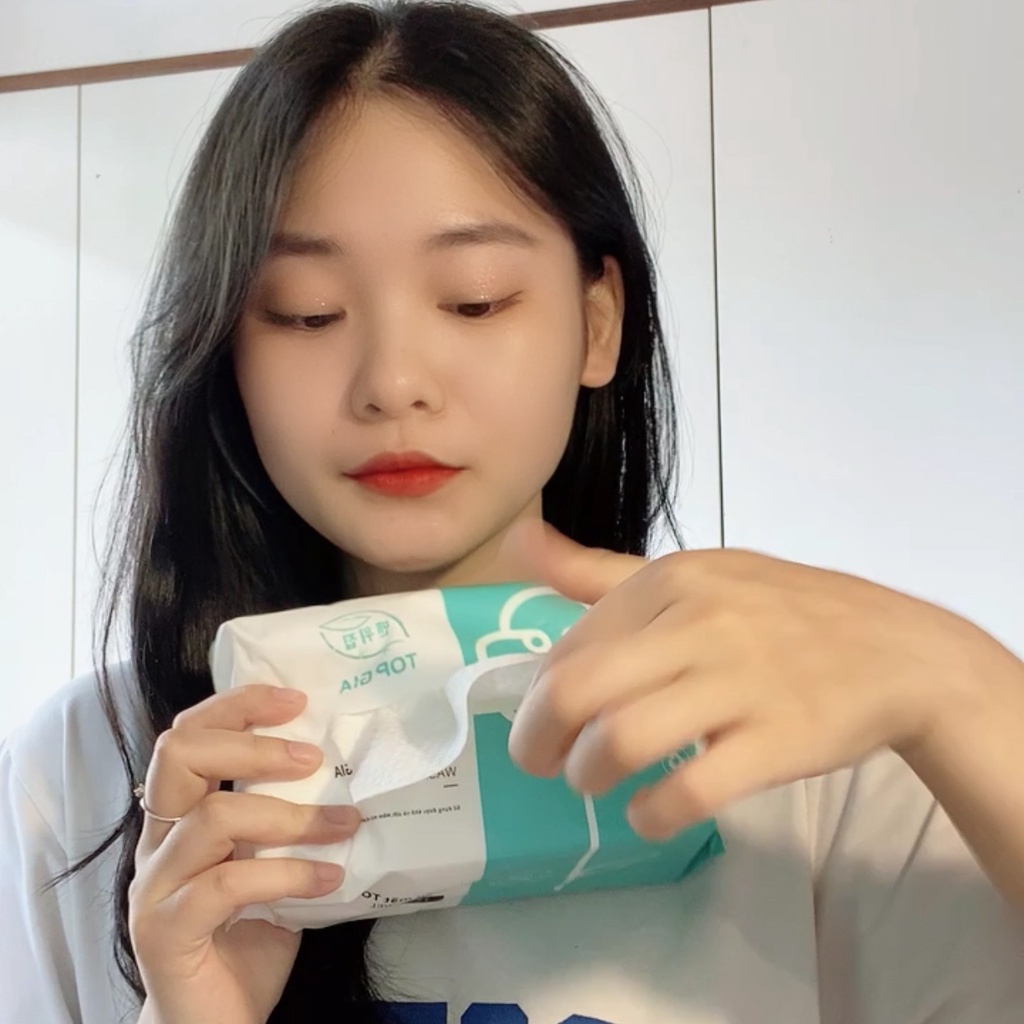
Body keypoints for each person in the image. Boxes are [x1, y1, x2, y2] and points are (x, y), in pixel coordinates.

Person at [1, 2, 1022, 1022]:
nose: (393, 382)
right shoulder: (92, 769)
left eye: (475, 299)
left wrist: (967, 688)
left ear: (596, 323)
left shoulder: (811, 744)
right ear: (227, 349)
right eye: (307, 311)